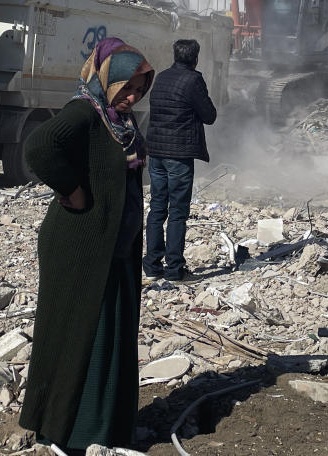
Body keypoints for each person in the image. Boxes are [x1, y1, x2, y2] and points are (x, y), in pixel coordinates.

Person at [19, 37, 154, 454]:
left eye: (139, 88)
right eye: (126, 87)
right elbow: (39, 147)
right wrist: (73, 190)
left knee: (111, 333)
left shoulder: (119, 121)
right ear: (106, 80)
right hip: (80, 247)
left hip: (114, 247)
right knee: (80, 334)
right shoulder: (86, 112)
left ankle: (108, 428)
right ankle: (71, 432)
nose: (132, 96)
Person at [144, 38, 217, 281]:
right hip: (179, 155)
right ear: (195, 59)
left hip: (156, 152)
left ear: (174, 56)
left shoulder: (162, 77)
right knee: (177, 212)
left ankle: (152, 266)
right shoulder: (194, 80)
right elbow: (209, 116)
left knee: (156, 208)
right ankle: (174, 269)